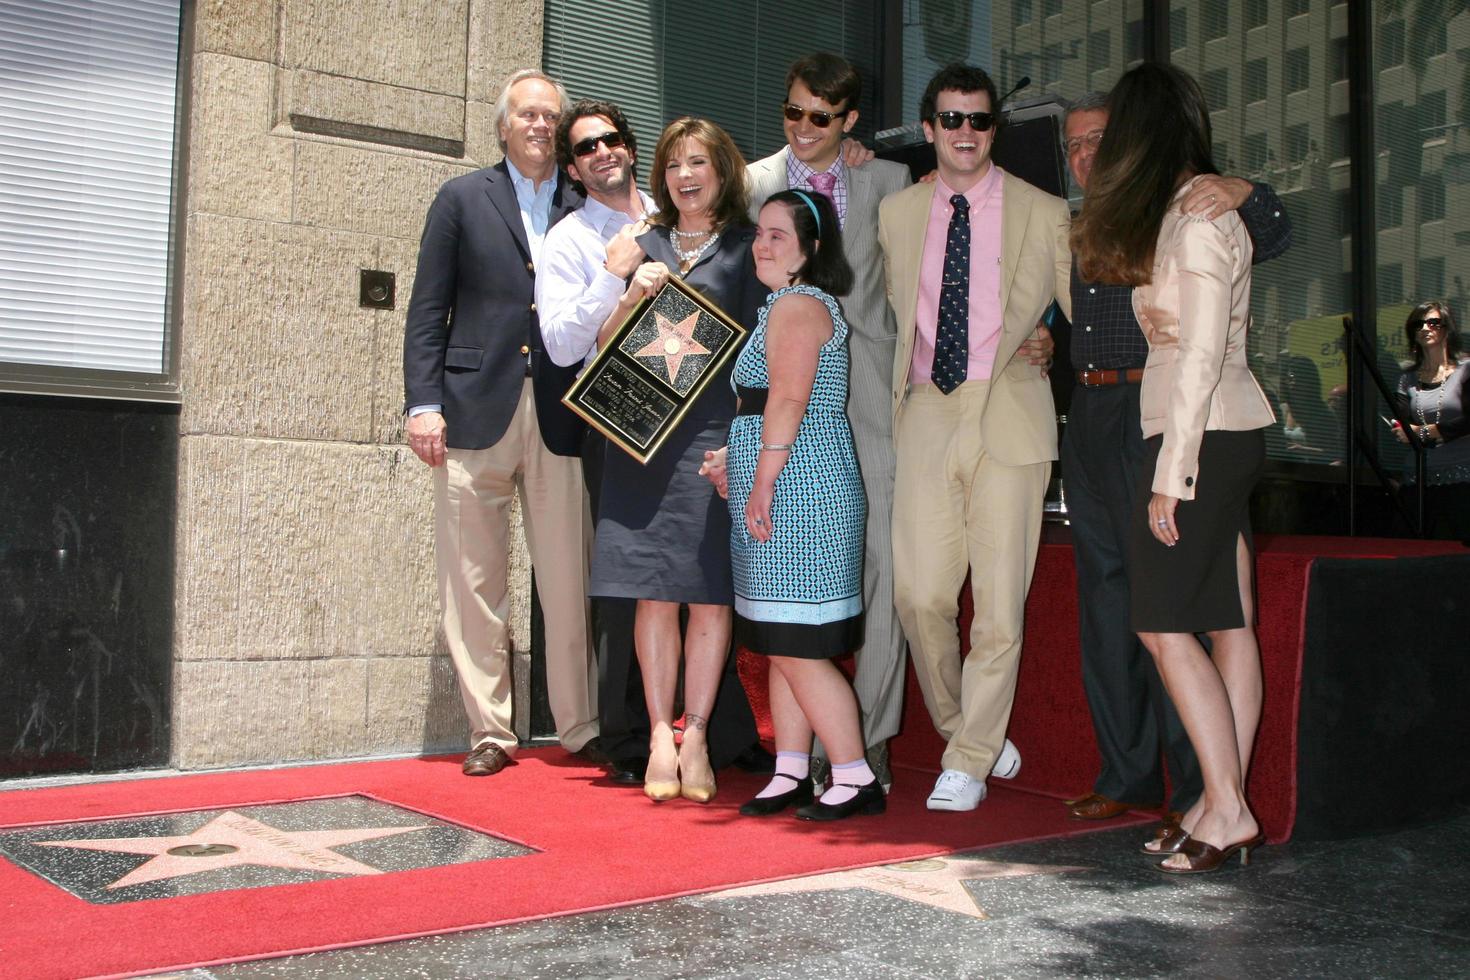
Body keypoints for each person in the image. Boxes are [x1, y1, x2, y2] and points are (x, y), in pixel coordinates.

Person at [1057, 91, 1293, 830]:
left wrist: (1247, 188)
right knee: (1157, 609)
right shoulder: (1108, 219)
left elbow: (1199, 347)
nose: (1092, 154)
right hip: (1118, 417)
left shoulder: (1194, 210)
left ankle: (1209, 796)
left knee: (1171, 618)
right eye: (1078, 145)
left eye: (1107, 138)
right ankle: (1179, 791)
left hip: (1175, 425)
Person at [537, 101, 771, 786]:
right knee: (651, 595)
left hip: (712, 440)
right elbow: (600, 349)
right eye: (674, 165)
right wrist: (625, 296)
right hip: (640, 442)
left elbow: (768, 355)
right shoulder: (641, 244)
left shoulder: (752, 247)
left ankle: (696, 736)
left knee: (707, 593)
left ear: (722, 171)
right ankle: (661, 741)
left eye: (697, 163)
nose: (684, 175)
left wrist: (747, 442)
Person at [879, 63, 1071, 812]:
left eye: (980, 121)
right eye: (952, 120)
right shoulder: (897, 213)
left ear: (996, 129)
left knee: (998, 607)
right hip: (926, 406)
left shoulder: (1044, 209)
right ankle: (971, 730)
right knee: (919, 596)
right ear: (929, 129)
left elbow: (1076, 309)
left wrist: (1052, 343)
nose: (966, 133)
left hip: (1011, 407)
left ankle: (969, 757)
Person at [402, 69, 600, 777]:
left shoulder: (589, 201)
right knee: (474, 578)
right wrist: (422, 403)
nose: (542, 125)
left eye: (552, 115)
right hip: (471, 410)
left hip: (562, 409)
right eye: (528, 115)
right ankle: (492, 730)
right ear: (503, 126)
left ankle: (580, 727)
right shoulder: (461, 199)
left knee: (567, 576)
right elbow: (428, 309)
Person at [743, 54, 912, 791]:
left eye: (821, 116)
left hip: (869, 387)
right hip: (782, 384)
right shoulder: (752, 182)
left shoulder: (887, 179)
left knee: (880, 564)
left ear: (848, 122)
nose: (803, 128)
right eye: (793, 112)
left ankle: (863, 742)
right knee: (787, 570)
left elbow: (921, 280)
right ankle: (799, 751)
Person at [713, 189, 880, 821]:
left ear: (811, 250)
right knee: (778, 642)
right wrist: (739, 462)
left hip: (802, 495)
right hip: (784, 486)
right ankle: (791, 770)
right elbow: (759, 411)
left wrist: (760, 482)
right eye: (760, 232)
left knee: (800, 648)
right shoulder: (782, 305)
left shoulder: (801, 304)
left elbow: (785, 403)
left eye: (779, 235)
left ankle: (856, 776)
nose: (762, 243)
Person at [1393, 301, 1470, 541]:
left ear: (1447, 329)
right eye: (1418, 324)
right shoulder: (1407, 379)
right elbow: (1403, 427)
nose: (1425, 328)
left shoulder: (1466, 371)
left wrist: (1427, 432)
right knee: (1415, 551)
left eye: (1433, 322)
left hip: (1464, 479)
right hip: (1418, 479)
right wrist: (1409, 431)